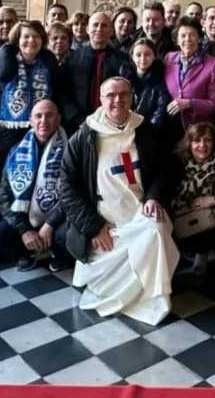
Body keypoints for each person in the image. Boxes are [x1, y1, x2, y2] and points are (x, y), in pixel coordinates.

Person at [61, 77, 178, 325]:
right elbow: (67, 187)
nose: (118, 100)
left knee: (156, 230)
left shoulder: (145, 130)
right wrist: (92, 226)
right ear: (101, 100)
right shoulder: (84, 137)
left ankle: (154, 301)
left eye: (123, 94)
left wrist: (154, 196)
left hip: (138, 214)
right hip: (104, 222)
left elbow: (167, 168)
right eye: (111, 95)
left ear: (132, 97)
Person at [0, 20, 65, 214]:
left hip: (42, 134)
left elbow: (60, 99)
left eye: (36, 36)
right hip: (7, 136)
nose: (31, 41)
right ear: (17, 39)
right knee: (4, 187)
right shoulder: (2, 66)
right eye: (26, 36)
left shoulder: (49, 66)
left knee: (37, 184)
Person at [0, 100, 74, 272]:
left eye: (49, 115)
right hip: (25, 216)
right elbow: (4, 195)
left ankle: (59, 254)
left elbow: (73, 194)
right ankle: (26, 253)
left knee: (67, 236)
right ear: (31, 120)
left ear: (58, 119)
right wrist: (24, 230)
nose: (43, 121)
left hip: (58, 217)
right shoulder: (16, 151)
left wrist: (50, 224)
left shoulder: (71, 149)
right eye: (38, 116)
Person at [168, 122, 215, 284]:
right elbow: (167, 187)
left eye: (207, 140)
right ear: (189, 143)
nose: (202, 145)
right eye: (197, 141)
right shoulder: (178, 162)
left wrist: (213, 200)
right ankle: (200, 253)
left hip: (214, 210)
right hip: (185, 212)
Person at [63, 11, 134, 131]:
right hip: (77, 124)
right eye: (95, 25)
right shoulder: (72, 58)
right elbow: (63, 92)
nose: (99, 29)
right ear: (87, 29)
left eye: (104, 25)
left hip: (112, 123)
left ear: (111, 31)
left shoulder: (123, 60)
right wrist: (75, 118)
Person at [163, 17, 215, 133]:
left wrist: (189, 103)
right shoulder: (169, 58)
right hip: (170, 128)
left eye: (192, 35)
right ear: (177, 40)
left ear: (199, 38)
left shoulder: (213, 64)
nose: (187, 39)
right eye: (183, 35)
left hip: (199, 131)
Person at [130, 38, 171, 136]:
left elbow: (161, 109)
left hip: (151, 131)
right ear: (132, 56)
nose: (143, 59)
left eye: (147, 54)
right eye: (138, 55)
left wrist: (149, 130)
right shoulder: (124, 74)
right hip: (128, 128)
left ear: (154, 56)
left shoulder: (161, 76)